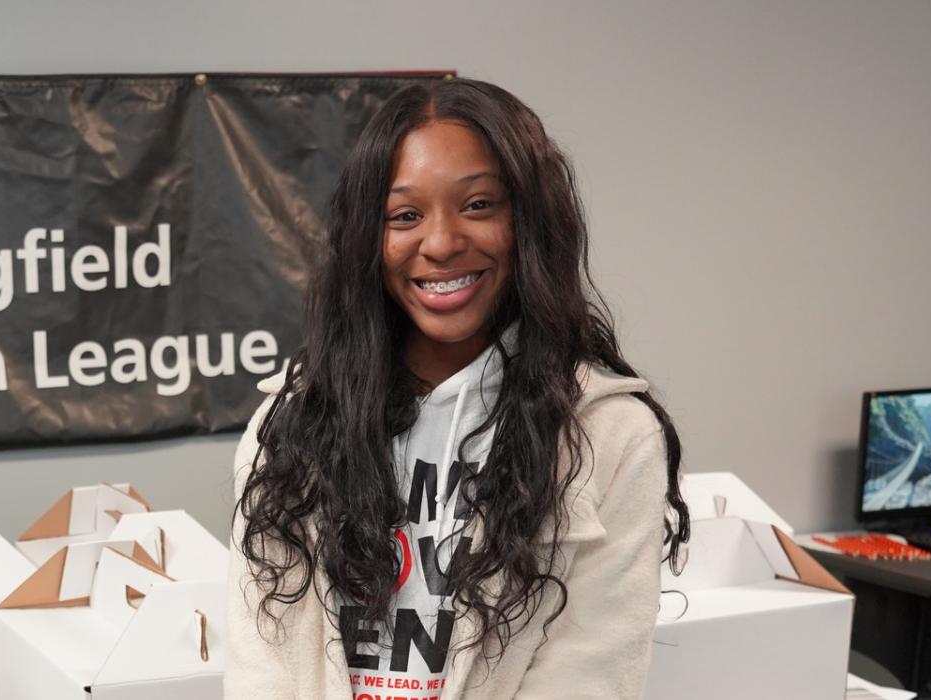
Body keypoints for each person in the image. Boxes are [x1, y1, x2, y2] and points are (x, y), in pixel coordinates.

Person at [225, 78, 689, 699]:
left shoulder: (610, 435)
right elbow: (263, 663)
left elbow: (591, 673)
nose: (441, 243)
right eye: (405, 216)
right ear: (367, 239)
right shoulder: (290, 426)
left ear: (529, 221)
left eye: (478, 205)